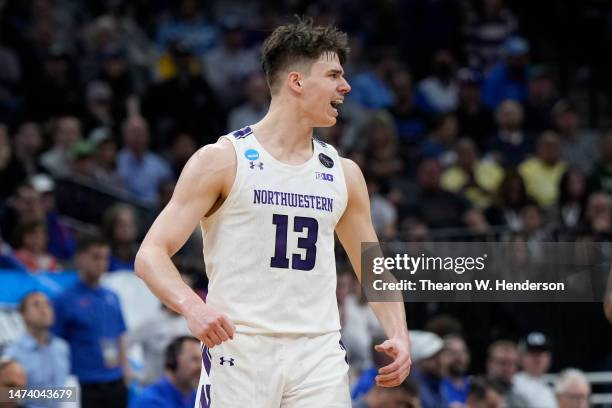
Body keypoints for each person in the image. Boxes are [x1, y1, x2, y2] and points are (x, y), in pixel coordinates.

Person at [135, 19, 411, 407]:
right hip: (241, 347)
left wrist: (398, 332)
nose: (345, 86)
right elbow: (150, 254)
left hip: (319, 351)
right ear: (296, 82)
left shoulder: (344, 173)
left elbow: (372, 265)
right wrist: (192, 307)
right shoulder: (222, 160)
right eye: (333, 75)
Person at [52, 236, 130, 408]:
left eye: (105, 257)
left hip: (115, 381)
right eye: (96, 257)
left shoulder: (112, 297)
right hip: (84, 383)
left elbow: (120, 335)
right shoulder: (64, 299)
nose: (101, 263)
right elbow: (54, 343)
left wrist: (126, 370)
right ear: (80, 258)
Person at [4, 292, 70, 402]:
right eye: (36, 305)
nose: (43, 310)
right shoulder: (13, 354)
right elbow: (5, 395)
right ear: (22, 314)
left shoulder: (62, 348)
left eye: (47, 305)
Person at [130, 336, 200, 408]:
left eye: (203, 361)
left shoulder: (197, 398)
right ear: (173, 362)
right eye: (195, 360)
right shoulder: (148, 401)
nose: (201, 367)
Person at [513, 332, 557, 408]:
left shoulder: (555, 385)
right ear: (520, 356)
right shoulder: (513, 384)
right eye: (532, 353)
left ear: (549, 357)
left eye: (541, 353)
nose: (537, 359)